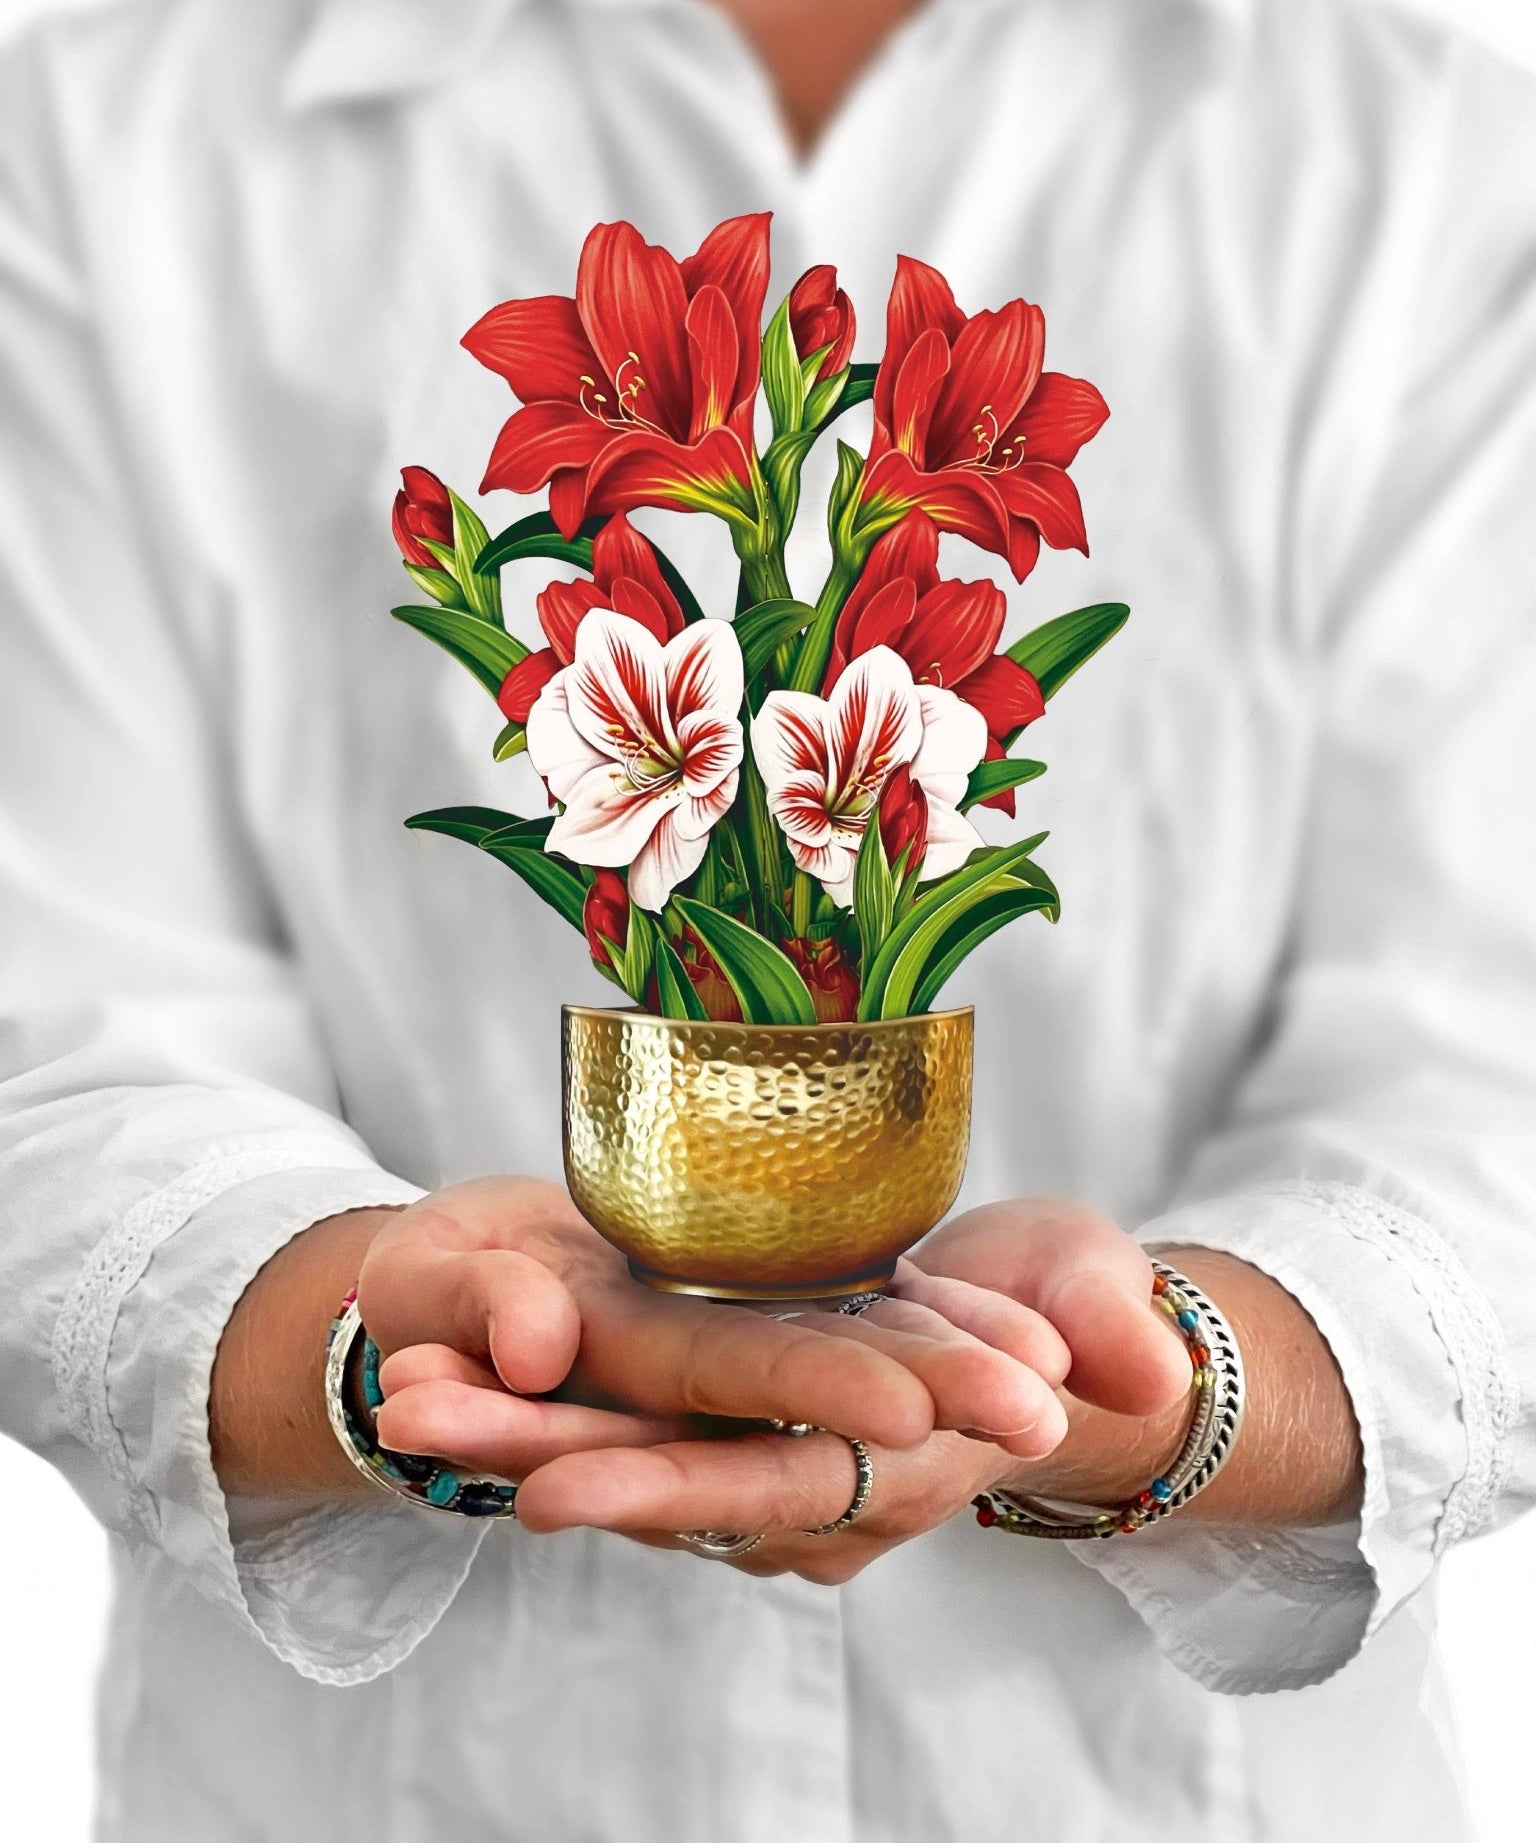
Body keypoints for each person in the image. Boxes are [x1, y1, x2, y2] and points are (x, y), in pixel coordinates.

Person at [1, 0, 1533, 1837]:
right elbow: (57, 1062)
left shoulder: (1440, 154)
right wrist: (371, 1347)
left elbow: (1492, 1079)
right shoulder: (92, 136)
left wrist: (1169, 1389)